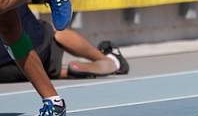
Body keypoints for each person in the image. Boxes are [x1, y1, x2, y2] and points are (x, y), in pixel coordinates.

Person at [0, 5, 128, 82]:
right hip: (36, 45)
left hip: (8, 69)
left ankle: (63, 71)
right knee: (54, 33)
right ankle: (110, 61)